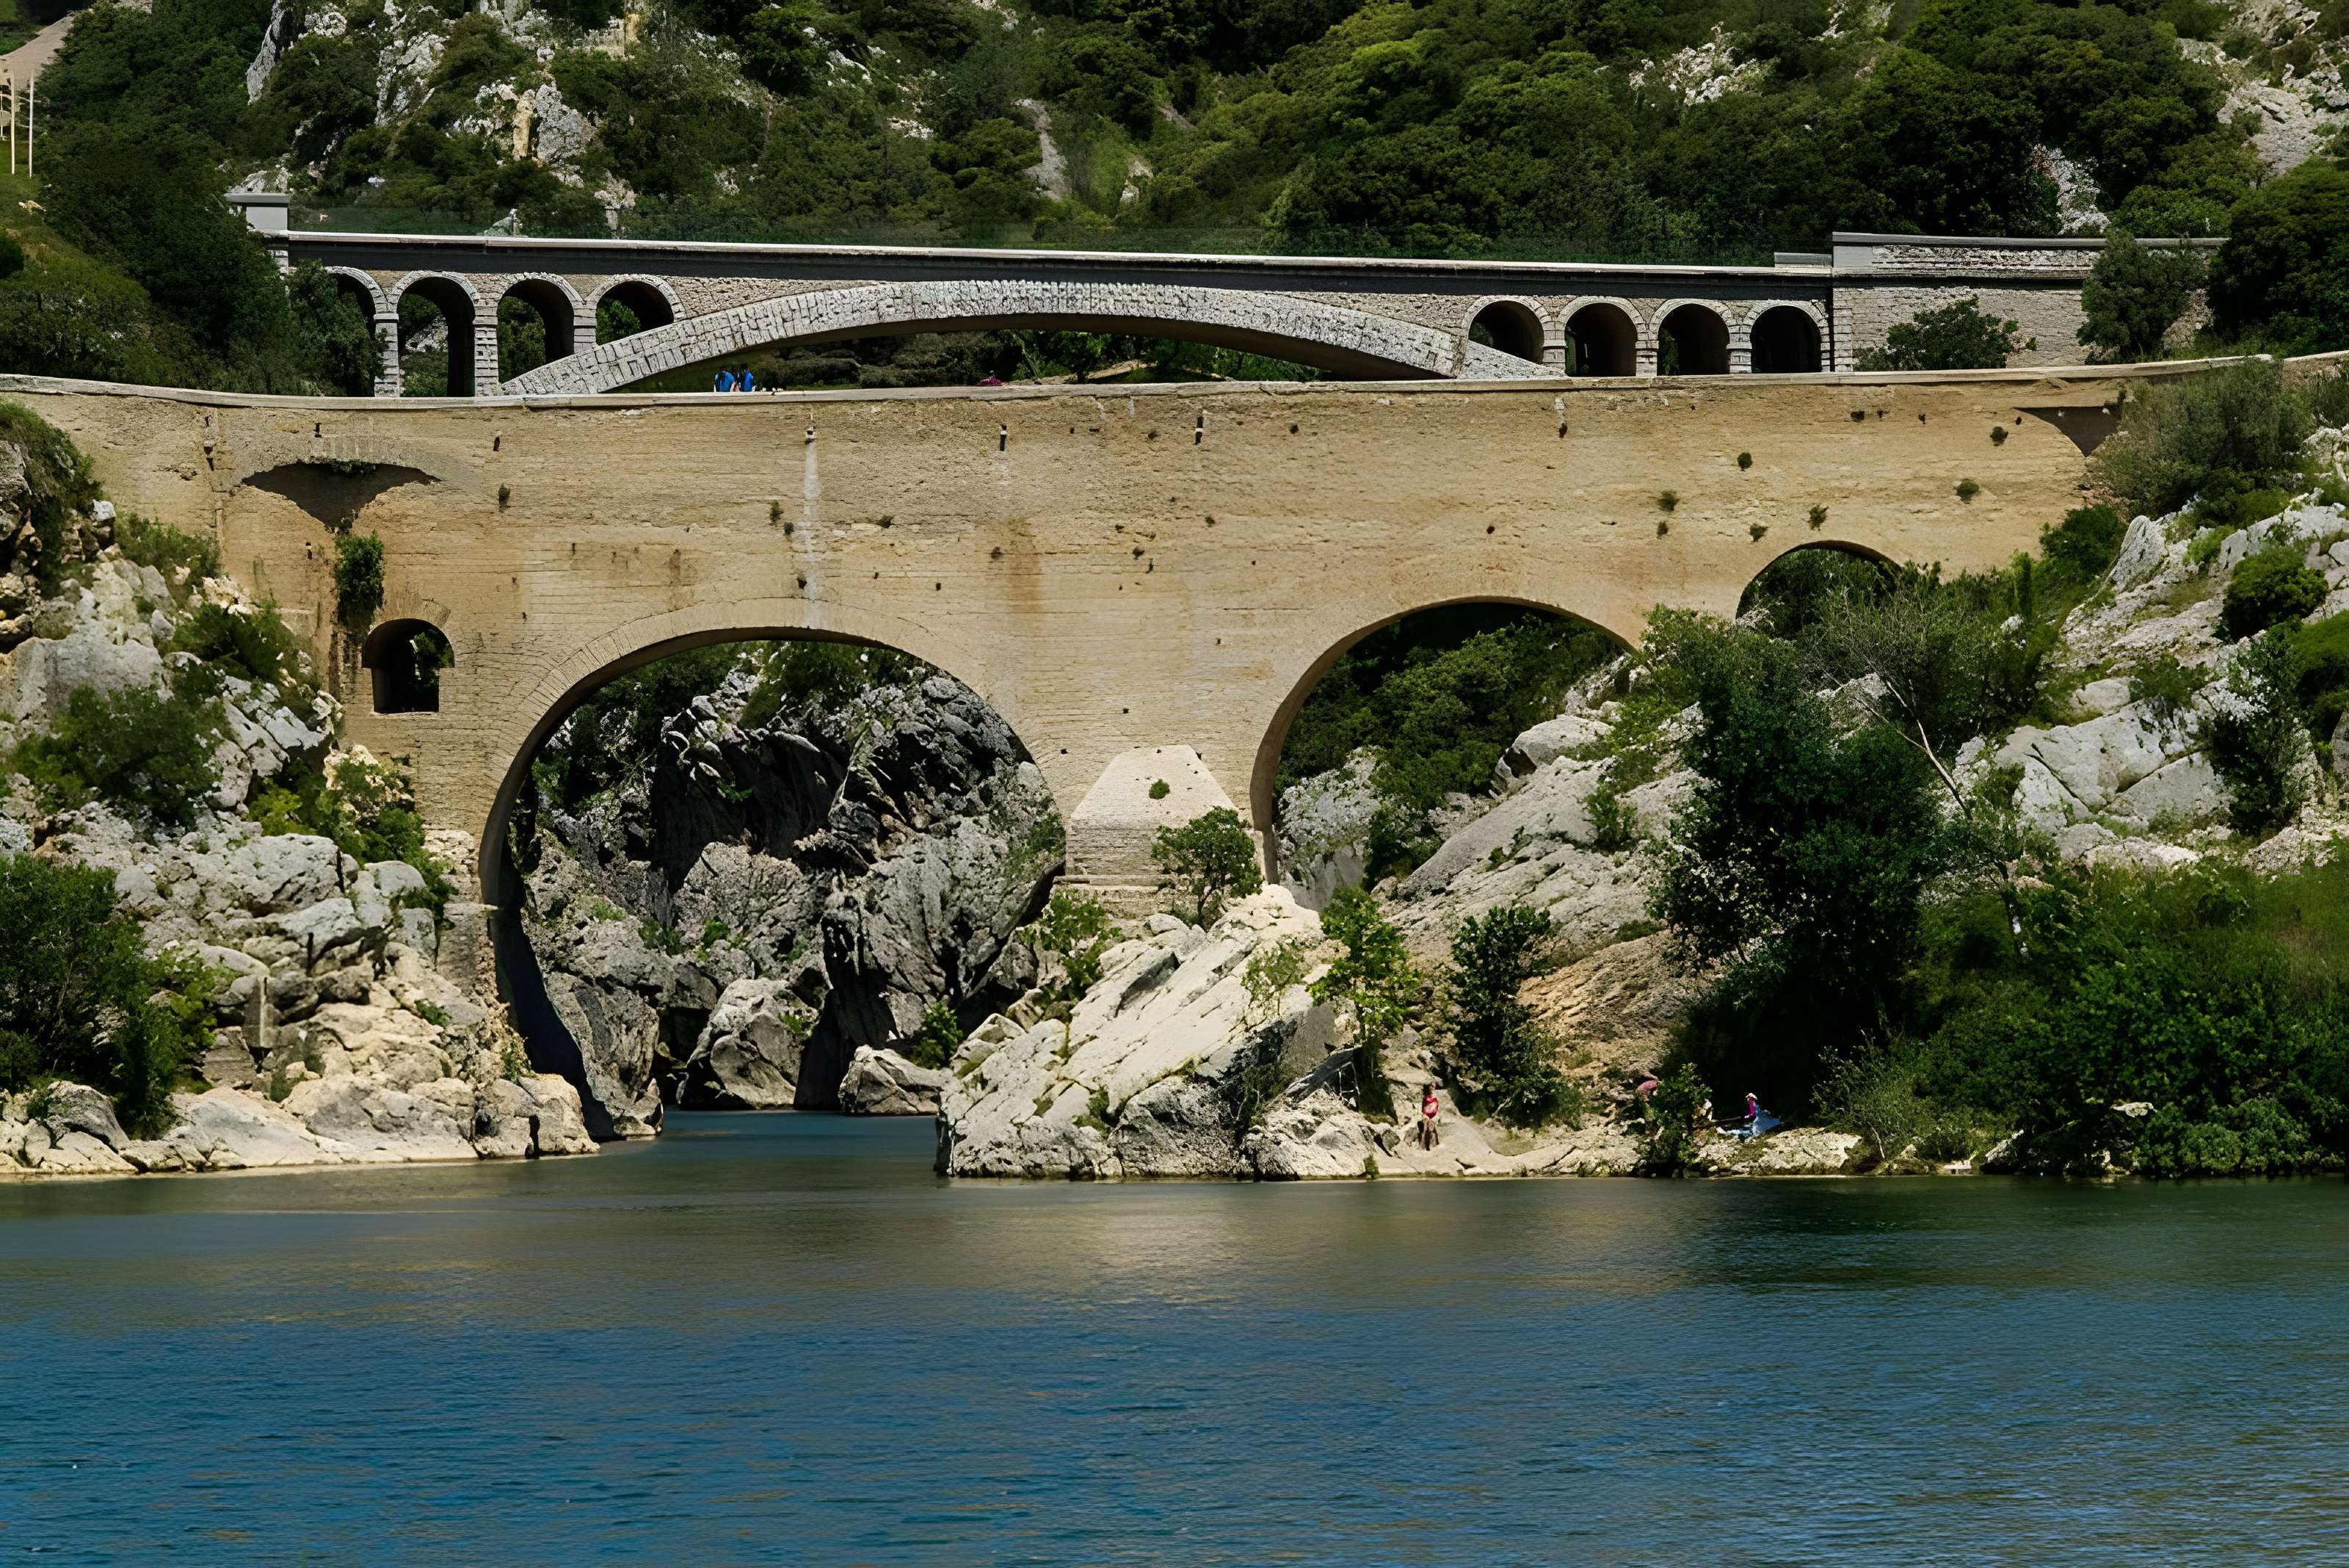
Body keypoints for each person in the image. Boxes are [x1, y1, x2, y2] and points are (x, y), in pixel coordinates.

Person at [1418, 1085, 1439, 1150]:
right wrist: (1425, 1115)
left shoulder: (1437, 1098)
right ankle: (1423, 1146)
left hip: (1433, 1117)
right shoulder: (1425, 1098)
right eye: (1431, 1086)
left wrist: (1434, 1118)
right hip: (1425, 1116)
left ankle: (1432, 1145)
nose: (1432, 1088)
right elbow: (1422, 1109)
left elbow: (1438, 1111)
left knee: (1431, 1125)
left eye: (1433, 1086)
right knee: (1425, 1125)